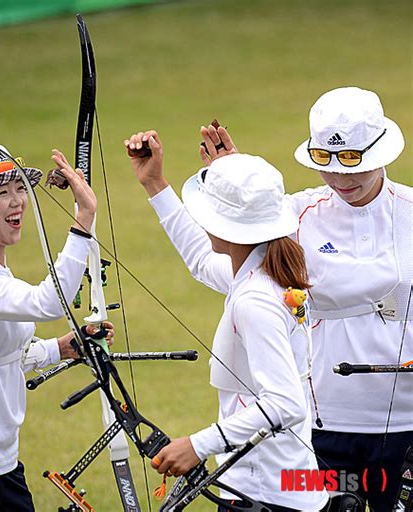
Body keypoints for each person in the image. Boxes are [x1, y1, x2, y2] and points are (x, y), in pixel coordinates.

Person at [199, 86, 413, 511]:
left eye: (354, 162)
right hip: (322, 427)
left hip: (407, 427)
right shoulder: (293, 214)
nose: (340, 178)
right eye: (326, 163)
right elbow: (215, 263)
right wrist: (230, 181)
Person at [125, 132, 329, 512]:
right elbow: (202, 260)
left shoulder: (255, 299)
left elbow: (285, 404)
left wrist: (197, 445)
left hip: (266, 493)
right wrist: (155, 183)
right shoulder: (266, 269)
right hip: (277, 484)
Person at [0, 143, 112, 512]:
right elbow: (49, 302)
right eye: (2, 193)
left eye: (20, 188)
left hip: (2, 466)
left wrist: (60, 348)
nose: (18, 200)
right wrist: (84, 217)